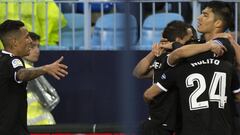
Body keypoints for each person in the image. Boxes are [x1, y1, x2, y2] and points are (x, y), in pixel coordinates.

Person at [144, 1, 240, 135]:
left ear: (218, 23)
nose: (199, 18)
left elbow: (177, 55)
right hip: (215, 124)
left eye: (205, 15)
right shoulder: (206, 48)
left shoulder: (221, 46)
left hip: (205, 123)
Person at [0, 20, 68, 135]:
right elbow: (21, 74)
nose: (30, 41)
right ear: (14, 42)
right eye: (26, 37)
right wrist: (45, 69)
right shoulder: (13, 60)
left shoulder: (2, 59)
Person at [133, 20, 198, 135]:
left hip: (175, 124)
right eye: (190, 39)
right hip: (160, 125)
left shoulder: (183, 60)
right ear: (178, 40)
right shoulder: (166, 59)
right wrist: (153, 53)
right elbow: (138, 73)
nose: (193, 42)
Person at [24, 32, 59, 125]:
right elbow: (51, 100)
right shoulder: (30, 70)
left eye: (38, 46)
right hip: (39, 127)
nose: (37, 50)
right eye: (32, 46)